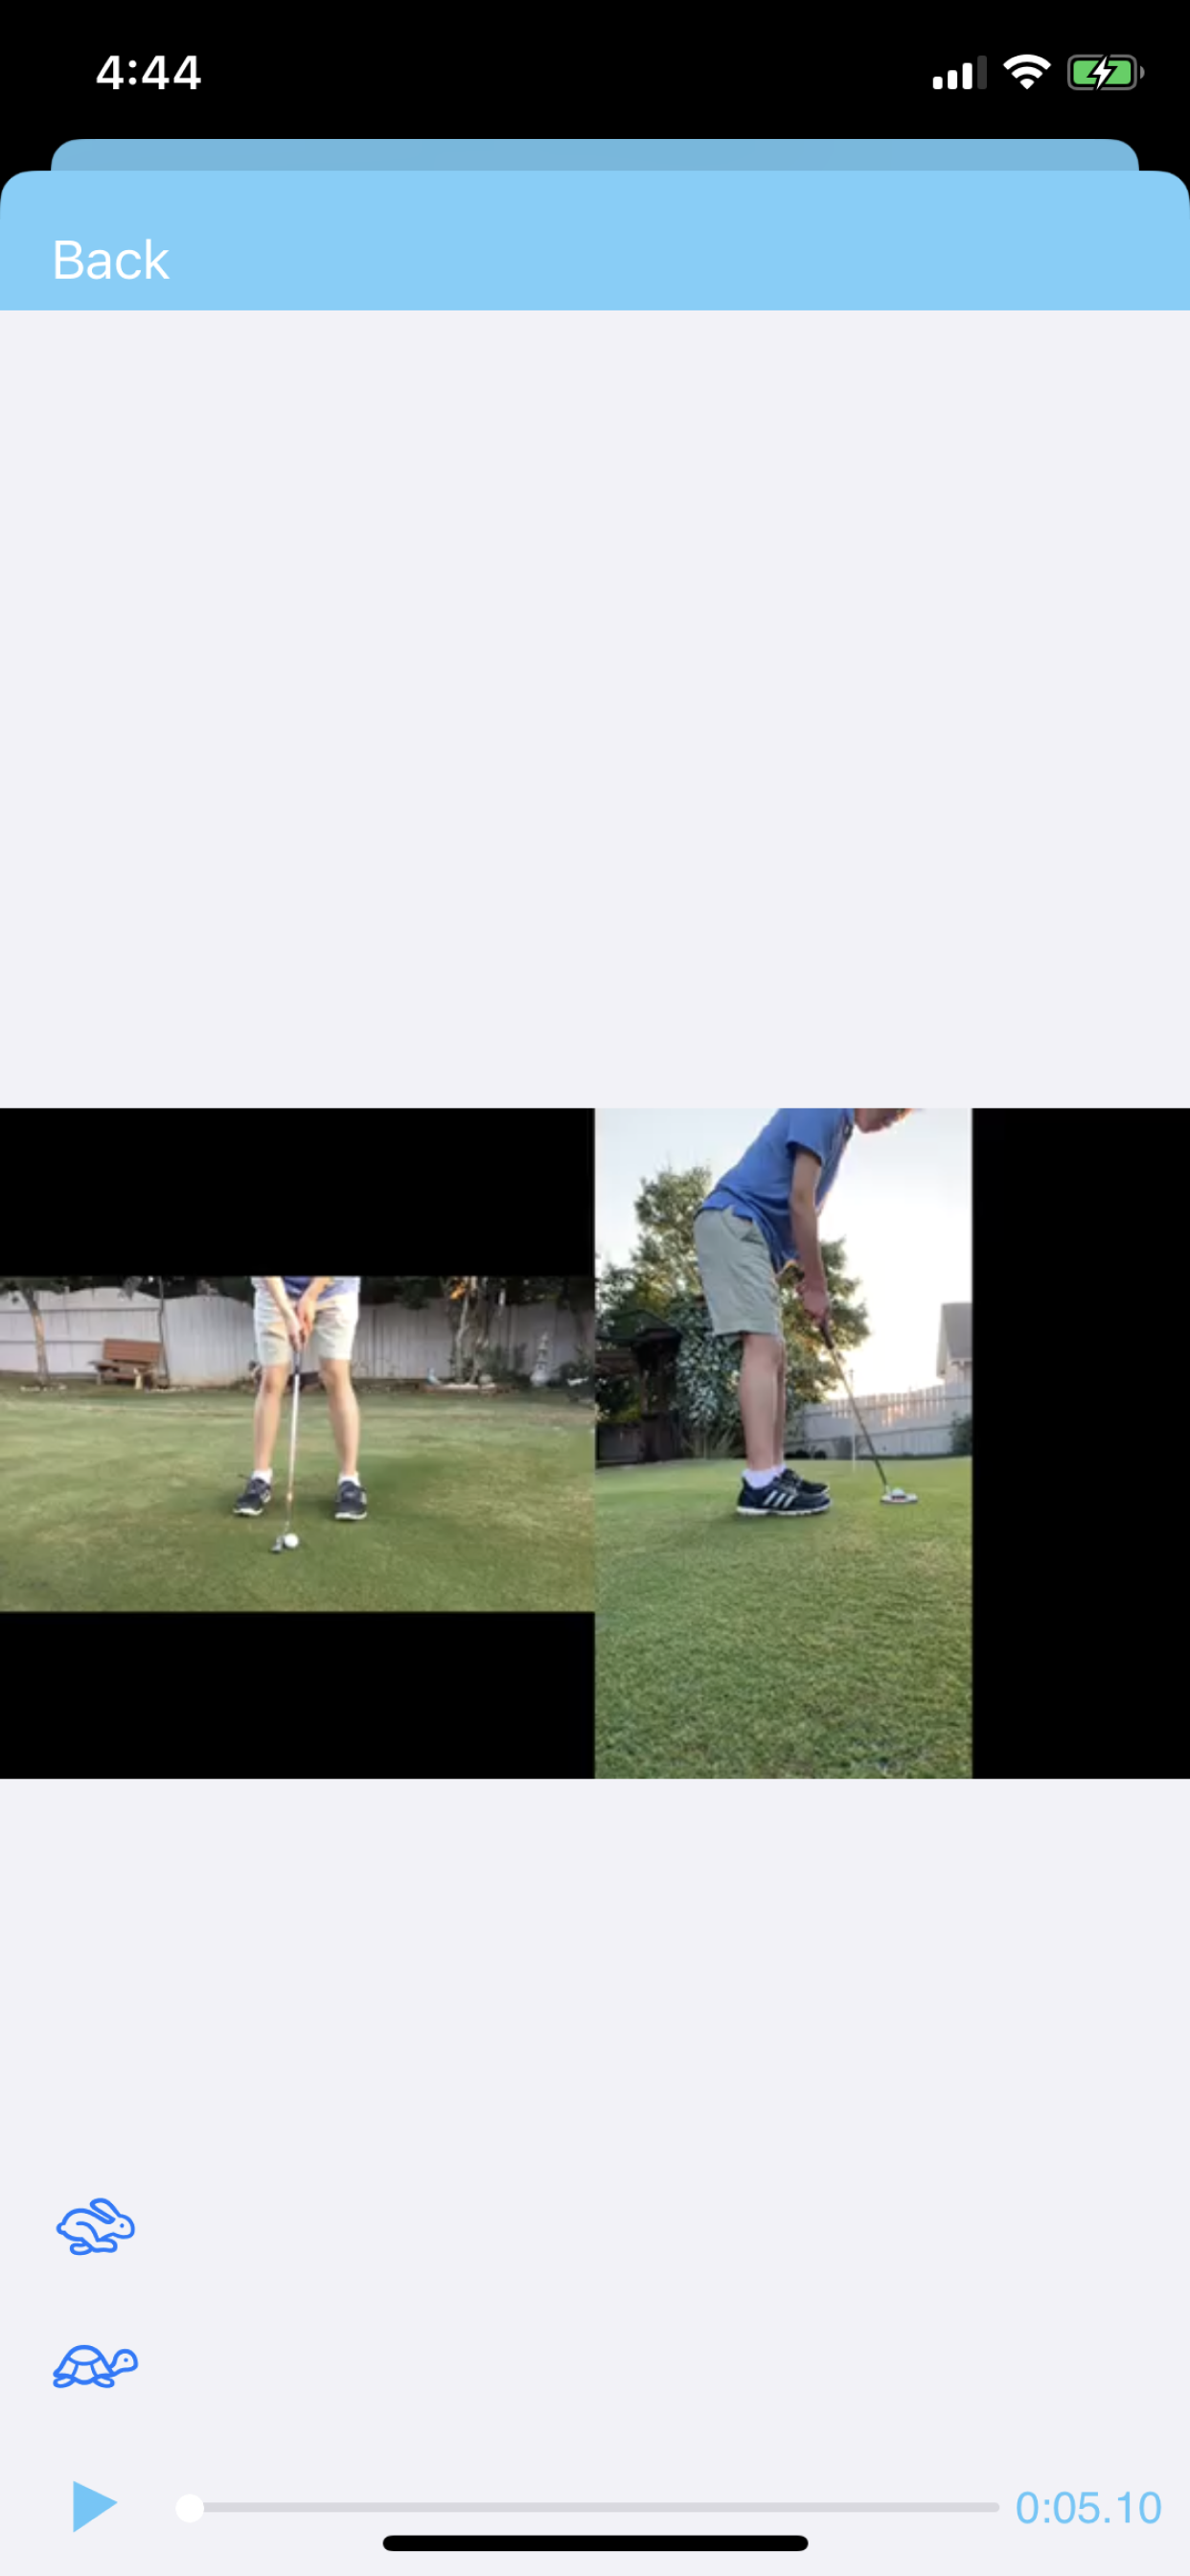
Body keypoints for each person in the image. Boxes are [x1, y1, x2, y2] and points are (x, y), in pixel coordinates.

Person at [695, 1112, 911, 1518]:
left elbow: (797, 1216)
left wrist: (806, 1275)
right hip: (735, 1220)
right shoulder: (826, 1105)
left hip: (751, 1234)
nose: (891, 1119)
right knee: (763, 1346)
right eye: (892, 1109)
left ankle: (774, 1472)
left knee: (776, 1353)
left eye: (898, 1116)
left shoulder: (840, 1129)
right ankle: (760, 1483)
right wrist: (816, 1284)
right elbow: (800, 1201)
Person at [234, 1276, 368, 1522]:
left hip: (336, 1287)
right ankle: (260, 1478)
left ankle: (350, 1481)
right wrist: (287, 1312)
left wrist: (312, 1294)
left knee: (335, 1375)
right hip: (276, 1290)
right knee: (272, 1379)